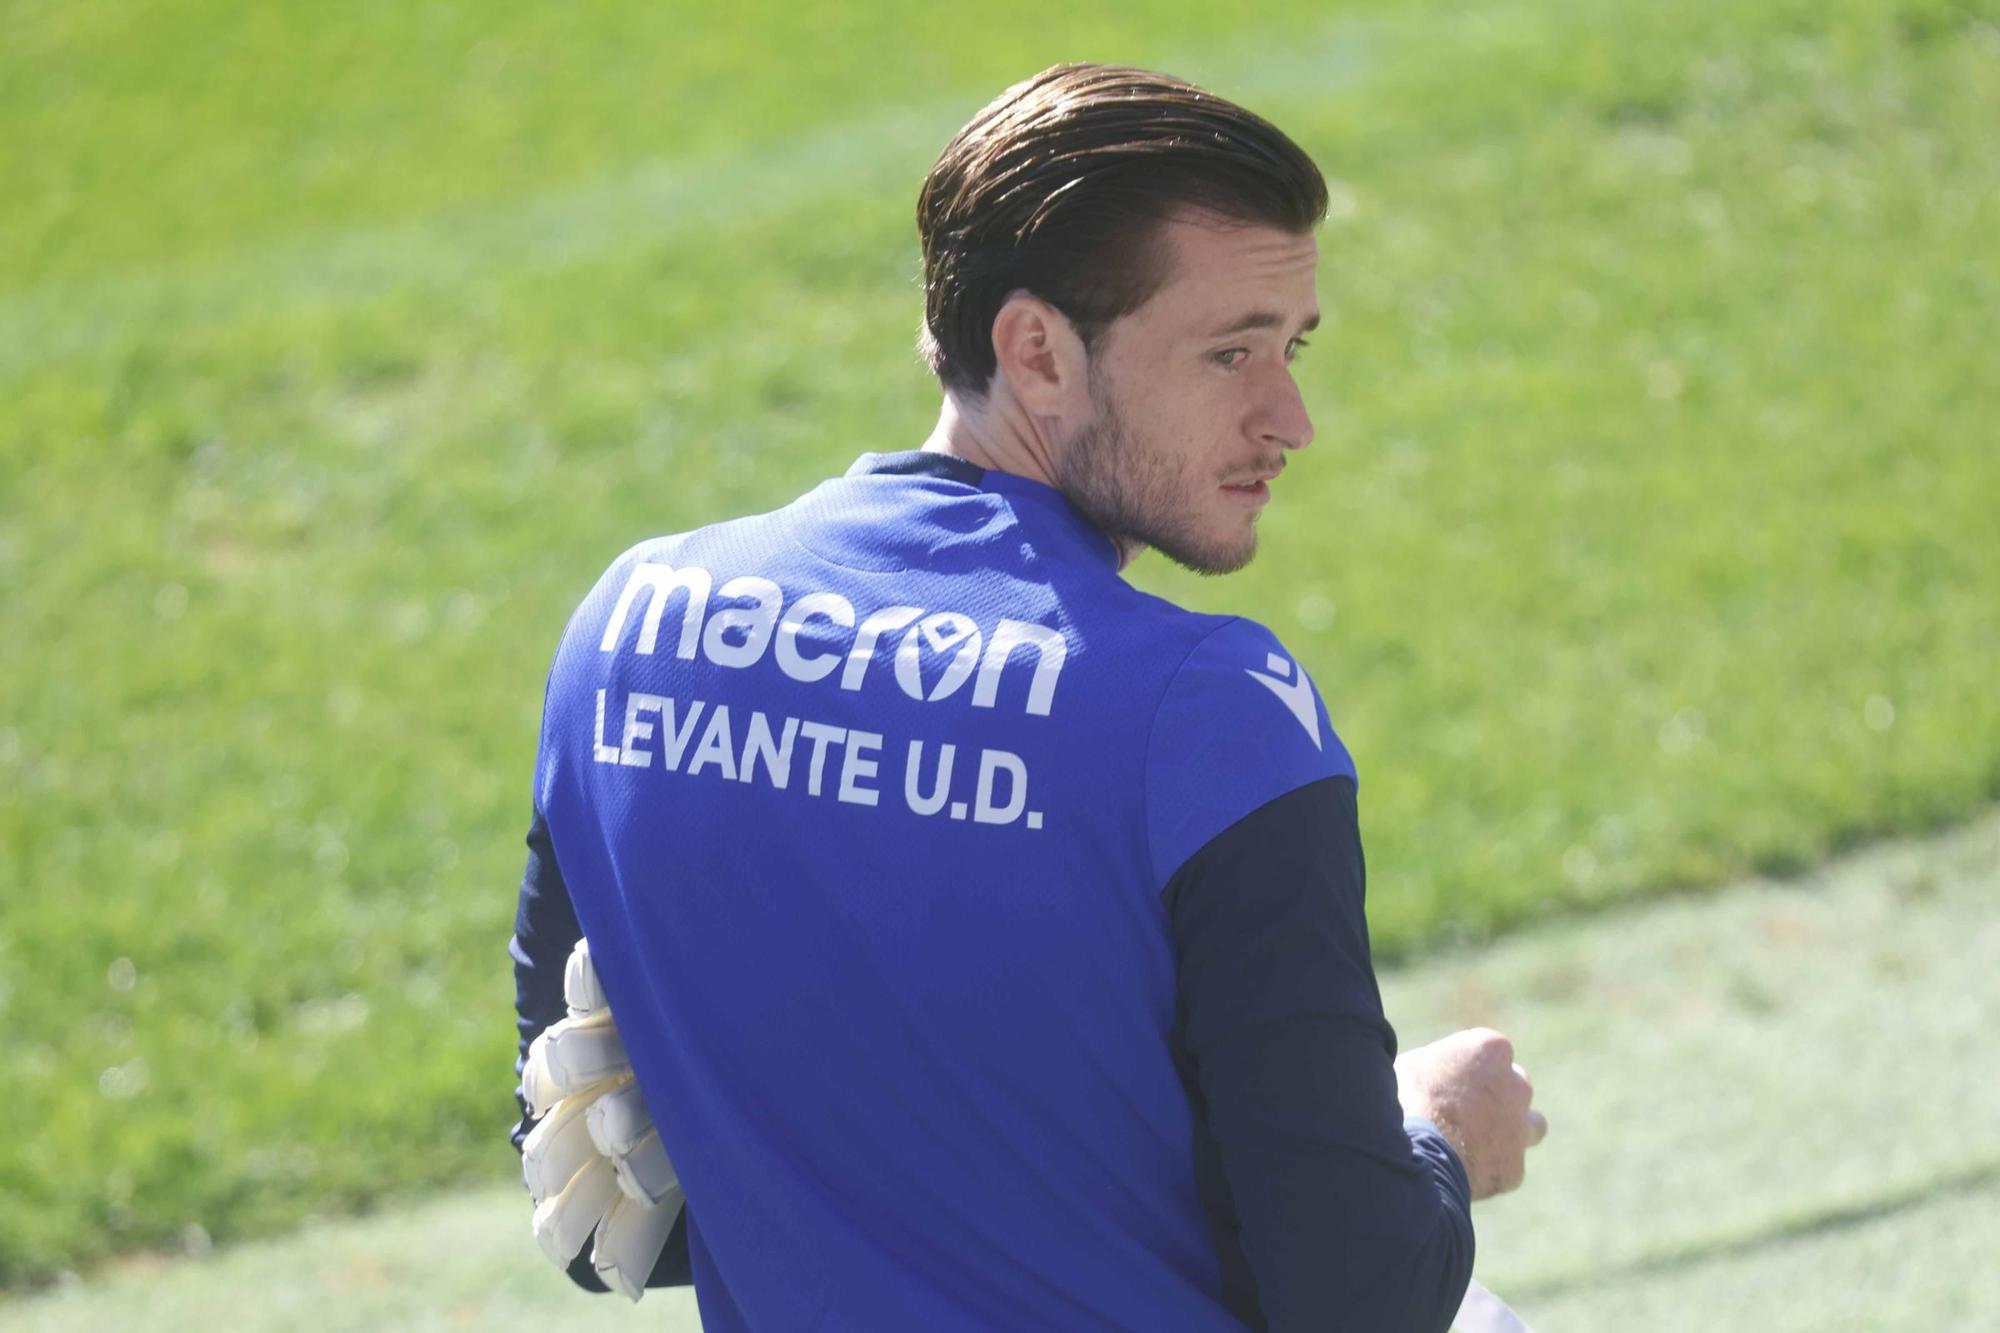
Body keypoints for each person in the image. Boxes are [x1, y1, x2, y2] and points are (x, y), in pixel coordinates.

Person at [511, 61, 1547, 1331]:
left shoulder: (626, 625)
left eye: (1293, 348)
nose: (1290, 418)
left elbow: (595, 1208)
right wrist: (1436, 1134)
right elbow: (1356, 1294)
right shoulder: (1204, 712)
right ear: (1036, 351)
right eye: (1230, 353)